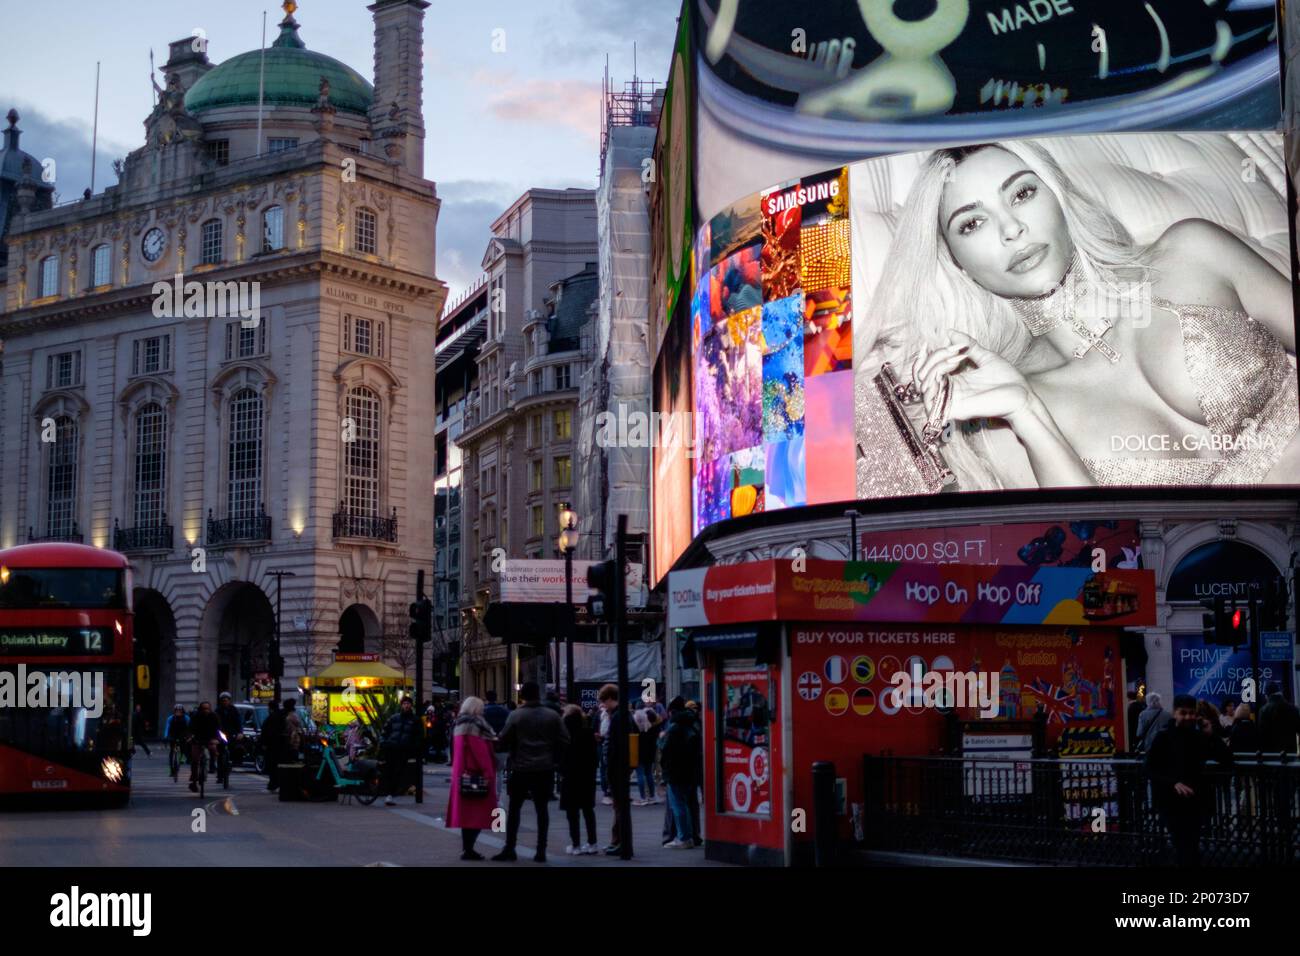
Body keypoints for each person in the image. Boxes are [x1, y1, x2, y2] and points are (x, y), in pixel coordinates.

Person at [865, 139, 1298, 492]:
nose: (1011, 229)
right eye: (972, 224)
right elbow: (1106, 563)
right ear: (957, 261)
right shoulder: (999, 413)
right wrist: (1028, 415)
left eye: (1022, 193)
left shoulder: (1192, 251)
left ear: (1058, 196)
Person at [1144, 694, 1232, 866]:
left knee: (1189, 846)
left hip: (1194, 801)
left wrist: (1211, 735)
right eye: (1183, 713)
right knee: (1184, 846)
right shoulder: (1163, 737)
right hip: (1171, 802)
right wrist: (1173, 783)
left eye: (1191, 713)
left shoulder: (1199, 737)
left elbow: (1227, 759)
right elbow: (1148, 768)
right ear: (1174, 713)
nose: (1188, 717)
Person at [492, 680, 569, 863]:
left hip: (521, 767)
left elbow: (504, 739)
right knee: (542, 810)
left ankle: (510, 847)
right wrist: (554, 758)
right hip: (544, 768)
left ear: (523, 696)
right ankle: (541, 850)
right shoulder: (552, 716)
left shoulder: (516, 716)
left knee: (514, 809)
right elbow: (565, 739)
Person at [446, 696, 498, 861]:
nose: (483, 710)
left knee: (466, 817)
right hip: (476, 775)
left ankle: (467, 849)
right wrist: (488, 773)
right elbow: (480, 752)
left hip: (462, 774)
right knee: (478, 815)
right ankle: (469, 850)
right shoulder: (475, 724)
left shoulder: (460, 723)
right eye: (481, 707)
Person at [661, 697, 704, 848]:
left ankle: (684, 837)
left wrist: (661, 739)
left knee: (678, 804)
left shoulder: (674, 728)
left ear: (672, 712)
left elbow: (665, 750)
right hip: (691, 770)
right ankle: (693, 835)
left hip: (675, 771)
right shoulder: (693, 724)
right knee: (689, 804)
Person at [558, 704, 599, 855]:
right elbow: (595, 757)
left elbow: (561, 755)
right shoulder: (588, 732)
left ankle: (576, 845)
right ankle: (592, 843)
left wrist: (561, 770)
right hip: (587, 776)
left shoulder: (564, 733)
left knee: (572, 812)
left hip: (570, 776)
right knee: (588, 810)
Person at [598, 683, 632, 856]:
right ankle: (616, 840)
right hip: (618, 766)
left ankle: (620, 842)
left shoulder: (619, 717)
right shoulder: (619, 715)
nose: (603, 705)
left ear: (611, 699)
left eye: (604, 701)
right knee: (618, 806)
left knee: (619, 807)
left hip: (617, 767)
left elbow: (618, 745)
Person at [380, 696, 424, 806]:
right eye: (405, 703)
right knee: (389, 771)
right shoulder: (394, 718)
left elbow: (419, 737)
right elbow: (384, 731)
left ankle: (390, 794)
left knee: (398, 773)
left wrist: (413, 749)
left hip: (404, 750)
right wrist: (383, 743)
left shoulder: (415, 720)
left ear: (411, 705)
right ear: (401, 705)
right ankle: (389, 794)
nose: (406, 705)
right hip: (391, 748)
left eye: (408, 703)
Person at [187, 701, 221, 793]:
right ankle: (194, 782)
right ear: (200, 709)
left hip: (210, 738)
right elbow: (190, 728)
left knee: (214, 750)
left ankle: (212, 766)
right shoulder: (195, 717)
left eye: (207, 708)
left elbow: (218, 729)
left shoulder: (214, 717)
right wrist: (190, 737)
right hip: (198, 739)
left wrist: (217, 739)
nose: (206, 710)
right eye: (203, 709)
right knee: (194, 760)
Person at [1258, 682, 1300, 754]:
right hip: (1290, 752)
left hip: (1271, 753)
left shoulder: (1264, 710)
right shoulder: (1293, 709)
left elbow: (1262, 734)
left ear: (1267, 695)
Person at [632, 706, 660, 805]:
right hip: (650, 753)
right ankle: (652, 796)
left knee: (640, 774)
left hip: (639, 753)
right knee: (649, 774)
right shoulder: (653, 727)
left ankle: (642, 797)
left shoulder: (637, 727)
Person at [261, 700, 284, 791]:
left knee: (272, 765)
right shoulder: (282, 716)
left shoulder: (270, 718)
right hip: (281, 745)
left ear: (270, 708)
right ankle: (276, 783)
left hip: (272, 746)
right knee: (278, 765)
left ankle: (273, 783)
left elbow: (265, 732)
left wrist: (263, 743)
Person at [164, 704, 188, 775]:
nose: (178, 712)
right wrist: (165, 736)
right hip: (173, 735)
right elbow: (167, 728)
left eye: (180, 710)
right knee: (172, 751)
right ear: (174, 711)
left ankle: (182, 757)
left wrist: (189, 736)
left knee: (183, 748)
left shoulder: (186, 718)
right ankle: (171, 769)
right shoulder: (170, 718)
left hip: (182, 734)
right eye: (177, 710)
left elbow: (190, 727)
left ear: (182, 711)